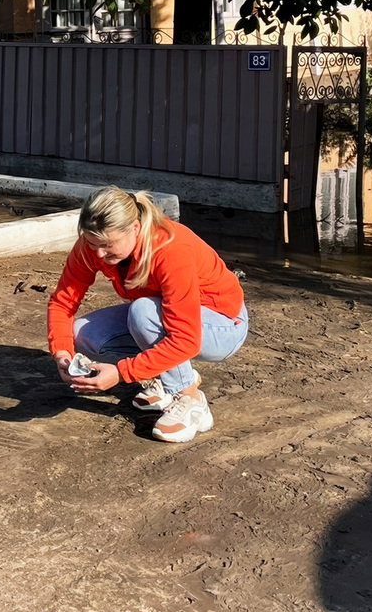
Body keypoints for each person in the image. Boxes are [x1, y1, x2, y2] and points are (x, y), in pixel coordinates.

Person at [47, 186, 248, 442]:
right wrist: (62, 352)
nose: (98, 254)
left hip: (223, 324)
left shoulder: (171, 249)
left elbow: (186, 339)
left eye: (107, 245)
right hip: (168, 315)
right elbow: (63, 303)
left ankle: (191, 400)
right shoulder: (92, 246)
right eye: (91, 243)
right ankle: (167, 376)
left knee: (142, 313)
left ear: (134, 228)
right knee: (82, 335)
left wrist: (121, 373)